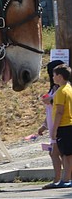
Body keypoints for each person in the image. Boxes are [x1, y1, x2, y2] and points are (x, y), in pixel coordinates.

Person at [35, 60, 65, 189]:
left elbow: (61, 107)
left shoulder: (63, 89)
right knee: (56, 153)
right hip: (53, 124)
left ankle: (60, 179)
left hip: (61, 125)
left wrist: (51, 100)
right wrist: (44, 125)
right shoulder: (54, 88)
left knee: (58, 153)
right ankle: (61, 178)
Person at [49, 64, 72, 189]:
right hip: (68, 125)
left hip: (64, 126)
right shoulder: (69, 88)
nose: (53, 77)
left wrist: (54, 129)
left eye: (54, 75)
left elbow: (59, 112)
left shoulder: (61, 91)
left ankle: (66, 179)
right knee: (55, 152)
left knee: (67, 155)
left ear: (59, 76)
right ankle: (58, 178)